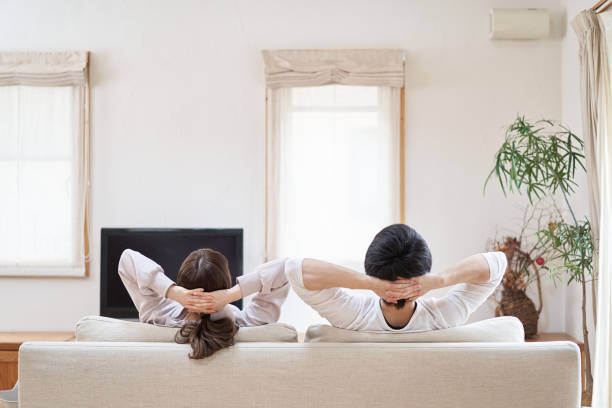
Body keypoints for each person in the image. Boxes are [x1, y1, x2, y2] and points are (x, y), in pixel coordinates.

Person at [285, 224, 507, 332]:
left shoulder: (353, 318)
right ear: (424, 273)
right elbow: (497, 263)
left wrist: (368, 283)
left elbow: (295, 270)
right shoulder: (443, 319)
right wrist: (438, 280)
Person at [118, 248, 289, 358]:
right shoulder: (250, 324)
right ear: (226, 284)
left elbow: (127, 259)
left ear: (182, 285)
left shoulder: (157, 315)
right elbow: (286, 268)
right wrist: (232, 294)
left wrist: (173, 292)